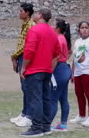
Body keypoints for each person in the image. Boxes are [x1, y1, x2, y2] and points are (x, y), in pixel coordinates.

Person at [19, 9, 61, 137]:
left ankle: (36, 127)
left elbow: (29, 50)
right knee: (45, 97)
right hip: (47, 69)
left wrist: (24, 67)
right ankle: (46, 125)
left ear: (40, 16)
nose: (34, 15)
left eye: (36, 13)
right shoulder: (52, 32)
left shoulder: (34, 30)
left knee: (35, 98)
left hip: (34, 69)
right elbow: (56, 51)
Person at [10, 3, 34, 127]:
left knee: (27, 87)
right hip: (20, 57)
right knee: (24, 87)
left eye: (21, 11)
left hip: (25, 58)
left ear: (27, 13)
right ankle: (24, 113)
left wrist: (13, 55)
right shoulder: (25, 25)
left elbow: (25, 46)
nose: (19, 13)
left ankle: (29, 115)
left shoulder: (30, 26)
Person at [70, 21, 89, 128]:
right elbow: (75, 58)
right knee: (79, 93)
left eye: (86, 28)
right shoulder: (77, 42)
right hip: (78, 72)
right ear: (79, 30)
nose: (84, 29)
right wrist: (72, 72)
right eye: (82, 28)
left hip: (87, 71)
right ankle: (81, 115)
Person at [50, 19, 73, 132]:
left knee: (53, 98)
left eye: (53, 24)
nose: (51, 26)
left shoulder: (58, 39)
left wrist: (50, 71)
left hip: (59, 70)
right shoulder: (63, 38)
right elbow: (69, 52)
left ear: (58, 28)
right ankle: (63, 124)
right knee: (63, 98)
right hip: (64, 69)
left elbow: (56, 57)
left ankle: (46, 124)